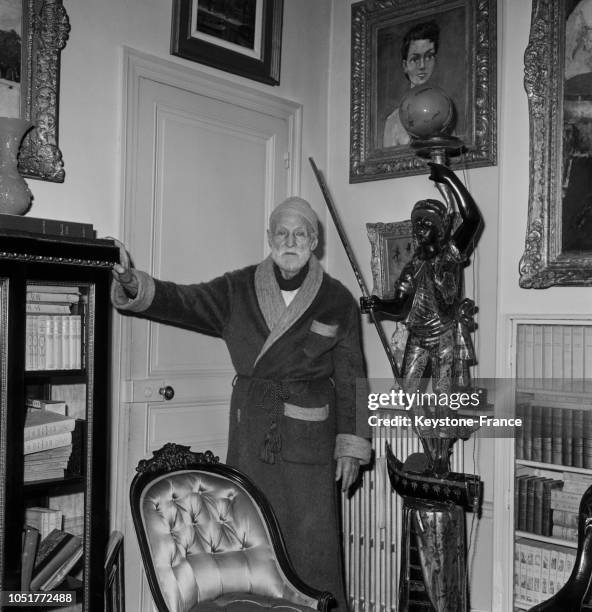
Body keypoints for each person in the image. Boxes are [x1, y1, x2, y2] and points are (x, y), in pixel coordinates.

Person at [111, 196, 371, 610]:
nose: (290, 241)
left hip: (311, 443)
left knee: (310, 545)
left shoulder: (337, 299)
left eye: (300, 233)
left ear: (315, 241)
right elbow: (185, 300)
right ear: (269, 237)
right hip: (252, 432)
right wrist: (134, 285)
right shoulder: (238, 288)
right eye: (282, 233)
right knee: (250, 540)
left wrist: (352, 445)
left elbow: (354, 377)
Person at [360, 162, 482, 473]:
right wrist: (377, 304)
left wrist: (450, 178)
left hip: (444, 337)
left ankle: (440, 459)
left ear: (441, 230)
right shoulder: (413, 265)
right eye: (416, 225)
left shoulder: (451, 254)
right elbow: (398, 304)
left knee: (444, 403)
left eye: (426, 225)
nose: (419, 230)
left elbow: (472, 218)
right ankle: (429, 448)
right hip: (418, 336)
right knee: (407, 392)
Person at [383, 21, 439, 148]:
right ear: (405, 66)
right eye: (415, 59)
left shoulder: (446, 114)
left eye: (429, 56)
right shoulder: (393, 121)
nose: (422, 66)